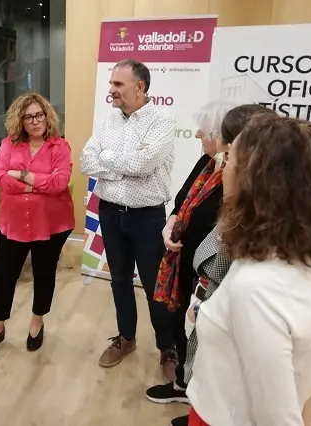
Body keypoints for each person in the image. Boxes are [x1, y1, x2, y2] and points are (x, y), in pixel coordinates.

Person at [185, 115, 311, 425]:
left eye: (229, 160)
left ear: (255, 184)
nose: (223, 170)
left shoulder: (256, 288)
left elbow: (277, 417)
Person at [143, 104, 277, 425]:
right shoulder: (210, 163)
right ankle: (188, 390)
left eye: (209, 131)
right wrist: (172, 223)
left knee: (209, 347)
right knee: (186, 329)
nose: (199, 135)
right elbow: (181, 202)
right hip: (190, 267)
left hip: (210, 278)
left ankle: (199, 404)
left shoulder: (249, 195)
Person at [80, 58, 178, 380]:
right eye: (111, 83)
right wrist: (124, 165)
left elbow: (144, 164)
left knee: (154, 285)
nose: (111, 90)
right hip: (109, 213)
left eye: (118, 84)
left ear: (140, 87)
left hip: (147, 218)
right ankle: (126, 338)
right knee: (119, 280)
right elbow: (86, 161)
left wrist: (108, 160)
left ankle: (167, 348)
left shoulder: (162, 122)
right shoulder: (107, 122)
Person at [0, 92, 74, 355]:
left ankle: (37, 322)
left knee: (44, 274)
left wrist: (21, 174)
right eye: (28, 117)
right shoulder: (9, 144)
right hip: (12, 222)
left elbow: (59, 183)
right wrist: (36, 184)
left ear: (47, 116)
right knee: (3, 275)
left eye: (39, 115)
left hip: (51, 224)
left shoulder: (60, 147)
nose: (35, 121)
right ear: (20, 121)